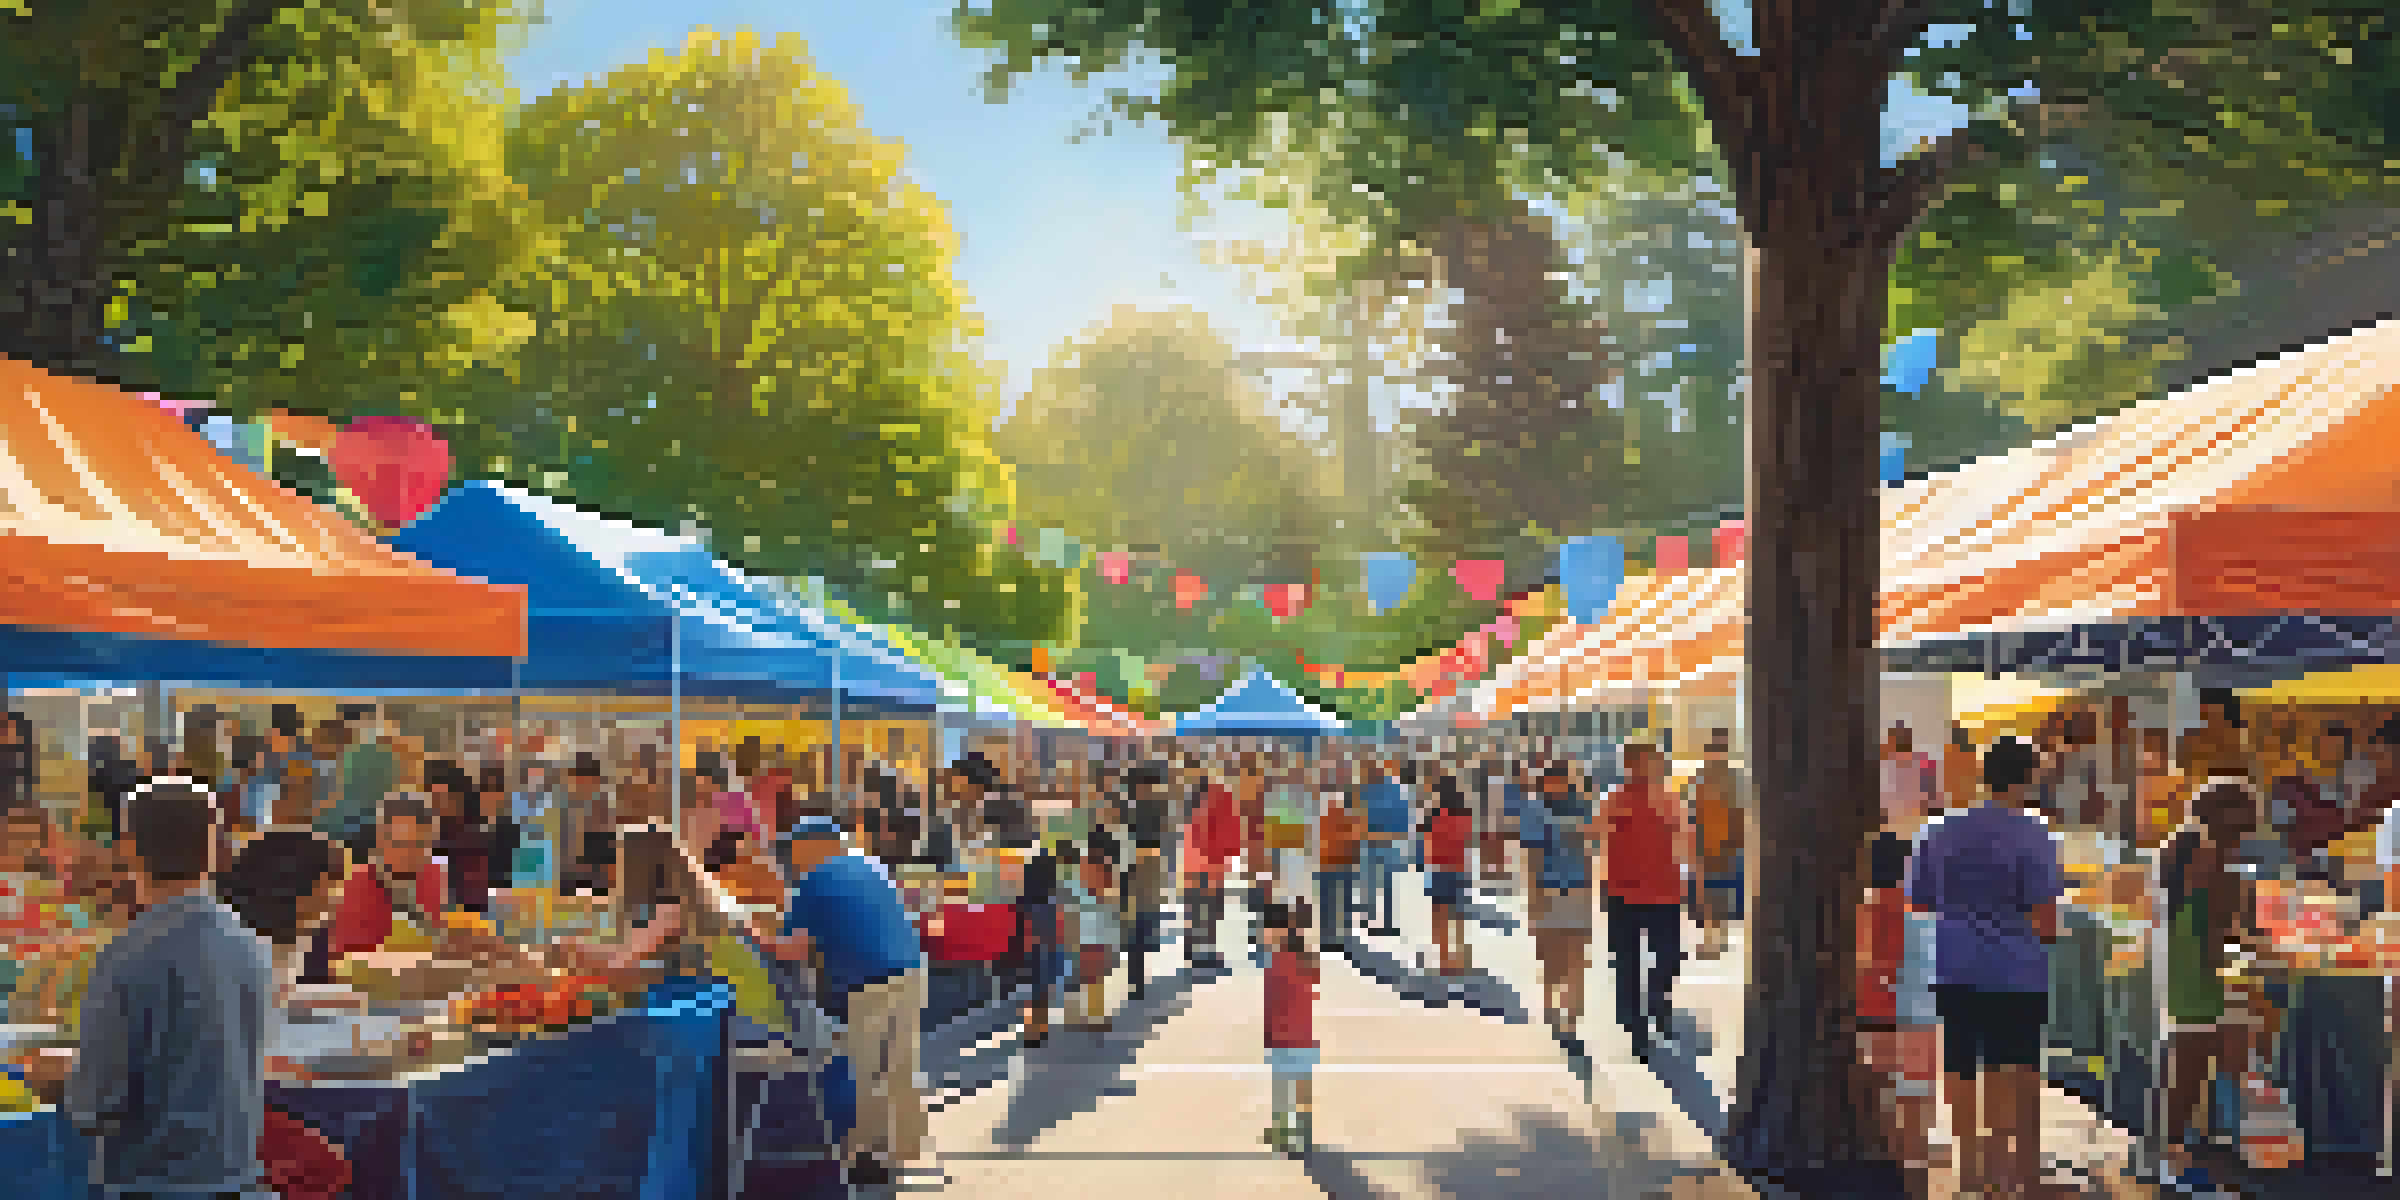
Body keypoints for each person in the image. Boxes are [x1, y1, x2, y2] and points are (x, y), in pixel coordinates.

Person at [57, 777, 275, 1200]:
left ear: (128, 850)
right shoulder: (249, 944)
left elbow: (96, 1103)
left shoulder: (128, 954)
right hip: (238, 1179)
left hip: (151, 1182)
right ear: (215, 850)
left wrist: (58, 1077)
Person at [1908, 736, 2064, 1199]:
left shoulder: (1938, 830)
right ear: (2029, 777)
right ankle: (2012, 1173)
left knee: (1960, 1065)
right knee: (2013, 1067)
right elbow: (2046, 918)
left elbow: (1919, 900)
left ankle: (1970, 1170)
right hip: (2015, 968)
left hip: (1954, 963)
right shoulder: (2034, 832)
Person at [764, 815, 929, 1188]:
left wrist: (749, 932)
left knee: (866, 1069)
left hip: (868, 980)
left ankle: (866, 1160)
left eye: (795, 849)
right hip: (911, 969)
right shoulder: (870, 866)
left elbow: (793, 948)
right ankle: (902, 1150)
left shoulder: (815, 880)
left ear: (814, 847)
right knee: (899, 1064)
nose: (792, 857)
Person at [2153, 780, 2262, 1191]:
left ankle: (2175, 1154)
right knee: (2191, 1067)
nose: (2252, 829)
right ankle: (2175, 1160)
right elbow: (2229, 925)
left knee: (2186, 1063)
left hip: (2182, 964)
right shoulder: (2213, 858)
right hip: (2199, 970)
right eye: (2248, 818)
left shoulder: (2180, 848)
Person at [1858, 830, 1936, 1196]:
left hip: (1874, 1014)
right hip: (1920, 1014)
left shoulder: (1865, 909)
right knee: (1917, 1101)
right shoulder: (1921, 909)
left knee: (1880, 1098)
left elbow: (1864, 963)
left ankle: (1884, 1176)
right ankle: (1916, 1180)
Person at [1603, 741, 1688, 1061]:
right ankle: (1638, 1030)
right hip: (1623, 894)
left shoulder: (1669, 800)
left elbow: (1685, 841)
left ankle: (1657, 1002)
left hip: (1665, 893)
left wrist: (1696, 884)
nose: (1647, 768)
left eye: (1652, 763)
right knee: (1627, 964)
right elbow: (1596, 838)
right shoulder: (1614, 800)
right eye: (1639, 763)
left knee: (1668, 957)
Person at [1521, 764, 1597, 1052]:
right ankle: (1553, 1009)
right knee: (1552, 957)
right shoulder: (1535, 810)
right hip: (1548, 889)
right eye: (1551, 782)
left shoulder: (1585, 805)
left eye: (1562, 781)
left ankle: (1572, 1020)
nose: (1557, 786)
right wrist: (1534, 899)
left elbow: (1592, 847)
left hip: (1578, 888)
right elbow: (1532, 856)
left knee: (1577, 956)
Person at [326, 792, 450, 959]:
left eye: (417, 845)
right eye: (399, 844)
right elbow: (345, 957)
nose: (406, 854)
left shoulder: (434, 878)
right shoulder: (359, 886)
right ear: (380, 840)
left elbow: (442, 940)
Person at [1260, 899, 1319, 1157]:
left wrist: (1269, 1034)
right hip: (1305, 1035)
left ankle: (1282, 1132)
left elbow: (1273, 1001)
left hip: (1283, 1037)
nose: (1263, 934)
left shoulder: (1277, 962)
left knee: (1282, 1088)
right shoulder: (1306, 957)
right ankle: (1304, 1133)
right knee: (1302, 1086)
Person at [1688, 729, 1744, 959]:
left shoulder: (1707, 777)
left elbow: (1695, 812)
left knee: (1714, 893)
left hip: (1717, 845)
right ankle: (1713, 939)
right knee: (1713, 893)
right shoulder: (1712, 777)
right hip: (1714, 845)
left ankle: (1714, 940)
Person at [1421, 776, 1475, 977]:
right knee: (1457, 915)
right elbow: (1466, 841)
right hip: (1459, 870)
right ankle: (1459, 957)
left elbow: (1428, 841)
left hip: (1439, 870)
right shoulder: (1465, 816)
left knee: (1441, 917)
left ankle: (1445, 959)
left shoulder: (1434, 815)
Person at [1359, 760, 1411, 939]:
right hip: (1387, 842)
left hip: (1374, 842)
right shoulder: (1395, 790)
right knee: (1384, 884)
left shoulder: (1367, 791)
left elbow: (1359, 817)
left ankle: (1371, 919)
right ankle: (1381, 921)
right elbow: (1404, 818)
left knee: (1373, 882)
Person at [1315, 781, 1365, 952]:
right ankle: (1334, 938)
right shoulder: (1342, 816)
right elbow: (1354, 838)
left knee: (1335, 903)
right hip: (1335, 863)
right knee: (1336, 903)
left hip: (1336, 864)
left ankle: (1334, 938)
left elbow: (1354, 838)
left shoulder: (1332, 816)